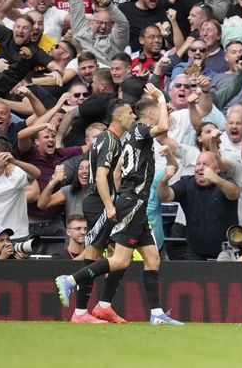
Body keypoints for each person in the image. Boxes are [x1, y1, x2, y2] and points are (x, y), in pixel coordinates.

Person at [56, 84, 184, 325]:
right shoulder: (137, 130)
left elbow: (116, 173)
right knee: (119, 260)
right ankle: (70, 281)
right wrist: (159, 97)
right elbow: (163, 126)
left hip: (133, 202)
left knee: (152, 259)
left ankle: (155, 314)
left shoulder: (129, 136)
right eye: (131, 113)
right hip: (130, 202)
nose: (133, 116)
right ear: (150, 116)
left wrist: (161, 106)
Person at [70, 99, 132, 324]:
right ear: (118, 117)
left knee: (120, 256)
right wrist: (109, 205)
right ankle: (80, 312)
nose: (132, 117)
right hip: (99, 203)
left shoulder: (109, 139)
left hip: (103, 201)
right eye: (129, 113)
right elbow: (99, 176)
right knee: (93, 255)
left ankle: (103, 306)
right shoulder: (109, 141)